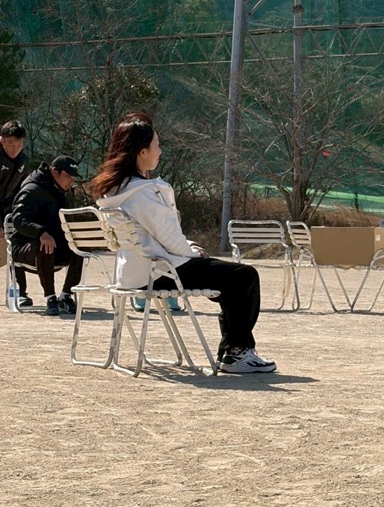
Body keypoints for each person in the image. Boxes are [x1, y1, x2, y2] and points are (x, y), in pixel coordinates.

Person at [93, 113, 276, 374]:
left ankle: (234, 351)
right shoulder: (143, 193)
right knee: (243, 276)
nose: (160, 151)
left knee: (230, 277)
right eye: (156, 145)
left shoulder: (115, 190)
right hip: (161, 272)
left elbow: (155, 235)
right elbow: (169, 238)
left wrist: (187, 247)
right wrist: (192, 251)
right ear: (142, 152)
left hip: (134, 272)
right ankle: (236, 353)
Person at [10, 155, 85, 316]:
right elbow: (18, 219)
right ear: (54, 171)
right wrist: (40, 232)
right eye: (68, 176)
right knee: (44, 243)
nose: (71, 181)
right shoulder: (32, 189)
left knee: (80, 246)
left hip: (53, 249)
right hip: (24, 247)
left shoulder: (58, 191)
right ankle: (50, 298)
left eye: (73, 178)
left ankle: (65, 297)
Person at [0, 119, 32, 306]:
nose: (15, 149)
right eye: (10, 144)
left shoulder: (23, 159)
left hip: (7, 208)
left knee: (15, 245)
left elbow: (22, 190)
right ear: (2, 141)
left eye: (19, 144)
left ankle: (20, 292)